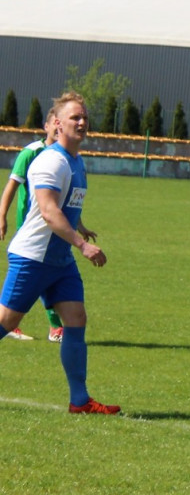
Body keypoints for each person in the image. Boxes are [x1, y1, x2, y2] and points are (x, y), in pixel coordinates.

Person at [0, 91, 120, 414]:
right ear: (56, 123)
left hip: (59, 260)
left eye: (84, 118)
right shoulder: (51, 161)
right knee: (6, 321)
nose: (82, 122)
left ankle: (80, 401)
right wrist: (82, 245)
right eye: (74, 118)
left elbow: (67, 208)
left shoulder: (76, 161)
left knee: (76, 319)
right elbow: (50, 212)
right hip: (34, 257)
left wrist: (80, 230)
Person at [0, 108, 68, 342]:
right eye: (55, 125)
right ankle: (44, 326)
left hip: (52, 228)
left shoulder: (63, 156)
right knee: (37, 276)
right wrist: (2, 215)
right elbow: (12, 185)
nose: (59, 130)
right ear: (46, 126)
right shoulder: (31, 152)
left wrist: (80, 225)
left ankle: (53, 327)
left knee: (48, 275)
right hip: (31, 227)